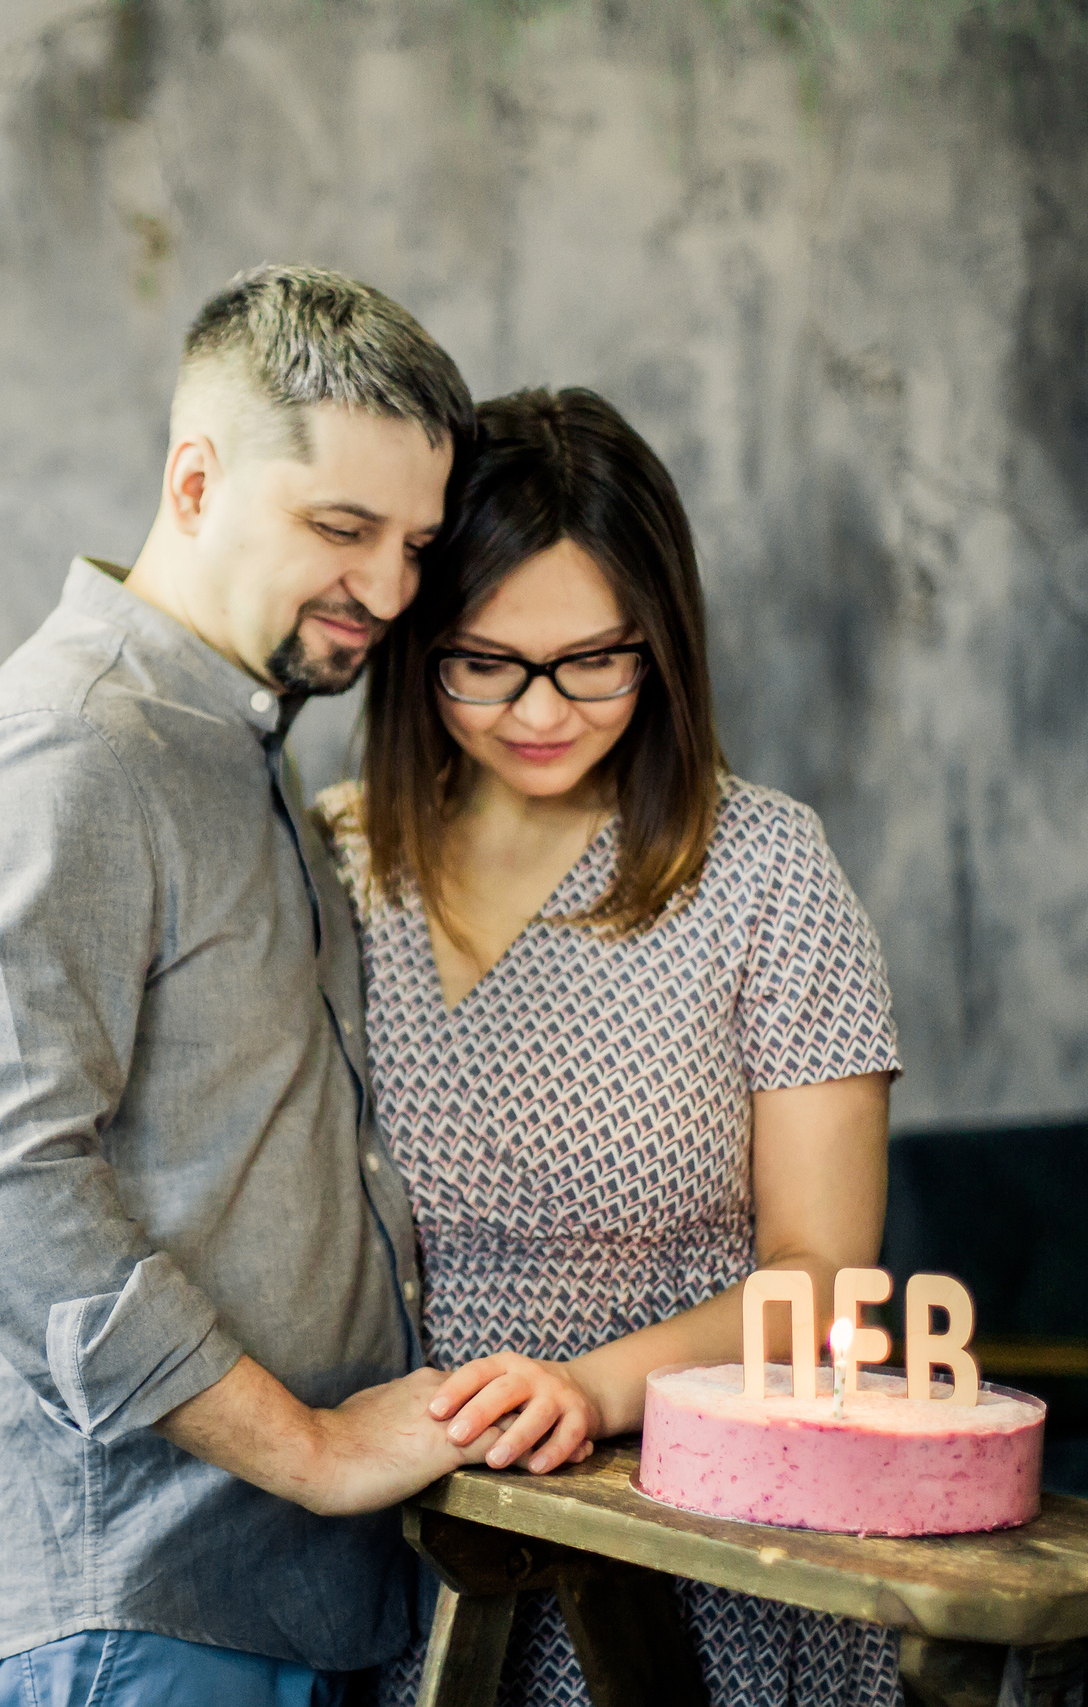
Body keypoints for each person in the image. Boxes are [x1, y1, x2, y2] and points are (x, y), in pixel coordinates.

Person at [0, 264, 491, 1704]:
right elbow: (7, 1196)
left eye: (414, 544)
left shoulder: (231, 739)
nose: (389, 591)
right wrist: (316, 1449)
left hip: (259, 1606)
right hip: (123, 1618)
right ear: (195, 480)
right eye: (340, 528)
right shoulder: (68, 750)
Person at [320, 387, 903, 1707]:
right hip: (411, 1544)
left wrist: (586, 1389)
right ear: (416, 645)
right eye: (485, 662)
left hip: (691, 1535)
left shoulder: (763, 871)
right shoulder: (338, 863)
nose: (542, 710)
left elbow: (822, 1279)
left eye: (595, 659)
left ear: (664, 642)